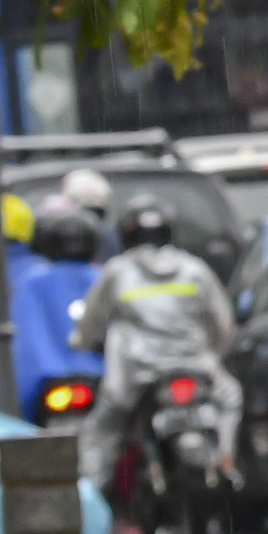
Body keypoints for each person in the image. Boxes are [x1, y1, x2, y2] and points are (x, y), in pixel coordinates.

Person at [75, 201, 237, 484]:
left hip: (136, 374)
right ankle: (226, 461)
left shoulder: (117, 272)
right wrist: (214, 354)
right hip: (196, 365)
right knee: (231, 398)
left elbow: (91, 323)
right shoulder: (194, 269)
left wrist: (81, 341)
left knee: (103, 429)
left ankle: (91, 495)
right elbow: (223, 325)